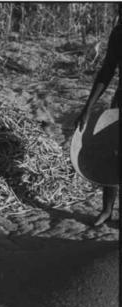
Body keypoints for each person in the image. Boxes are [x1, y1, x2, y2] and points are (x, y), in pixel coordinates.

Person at [75, 5, 121, 226]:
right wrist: (88, 108)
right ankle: (107, 210)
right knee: (113, 155)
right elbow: (107, 70)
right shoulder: (119, 33)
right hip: (120, 105)